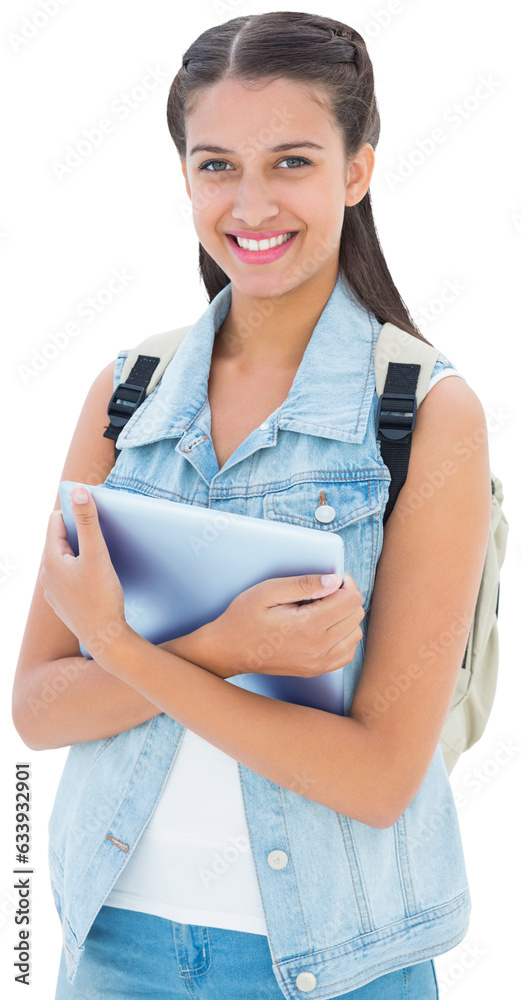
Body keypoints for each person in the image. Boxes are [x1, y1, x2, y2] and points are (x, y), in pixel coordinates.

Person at [12, 11, 491, 1000]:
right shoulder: (128, 392)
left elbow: (375, 777)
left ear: (356, 170)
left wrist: (132, 649)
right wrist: (226, 646)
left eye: (291, 161)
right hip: (114, 952)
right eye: (218, 164)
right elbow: (39, 707)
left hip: (342, 964)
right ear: (185, 176)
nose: (252, 202)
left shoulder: (420, 416)